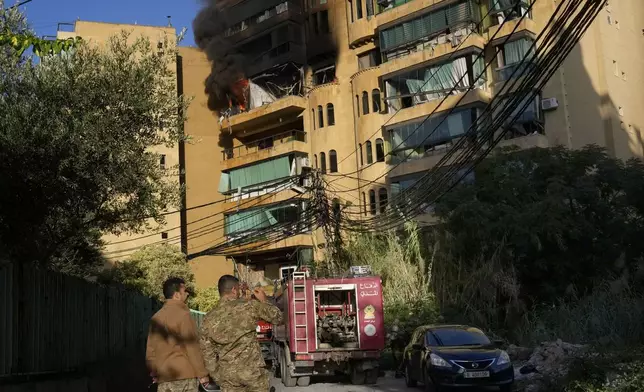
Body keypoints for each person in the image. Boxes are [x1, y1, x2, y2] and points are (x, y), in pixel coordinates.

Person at [201, 275, 283, 392]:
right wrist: (264, 300)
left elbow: (207, 354)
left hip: (228, 376)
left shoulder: (208, 318)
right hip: (253, 373)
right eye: (238, 289)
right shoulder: (249, 306)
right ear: (234, 290)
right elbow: (277, 317)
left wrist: (219, 377)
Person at [146, 277, 215, 392]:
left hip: (164, 378)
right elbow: (192, 347)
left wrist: (154, 371)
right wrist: (202, 374)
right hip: (184, 377)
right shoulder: (183, 315)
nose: (187, 294)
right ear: (177, 295)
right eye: (185, 291)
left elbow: (150, 350)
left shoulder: (156, 317)